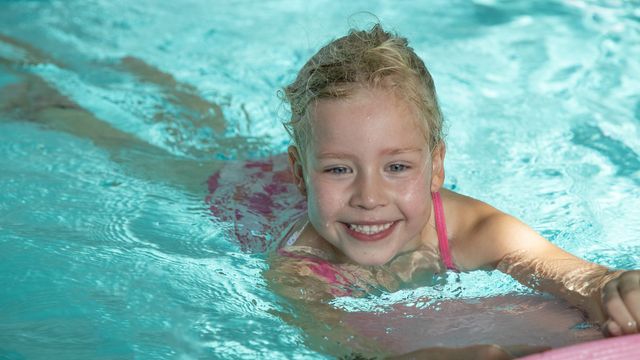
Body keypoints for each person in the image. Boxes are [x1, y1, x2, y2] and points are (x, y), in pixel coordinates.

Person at [264, 23, 640, 359]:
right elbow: (341, 345)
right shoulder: (298, 267)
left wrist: (614, 289)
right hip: (257, 194)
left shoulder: (473, 228)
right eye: (338, 169)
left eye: (397, 167)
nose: (369, 197)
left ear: (436, 166)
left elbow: (574, 276)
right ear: (300, 173)